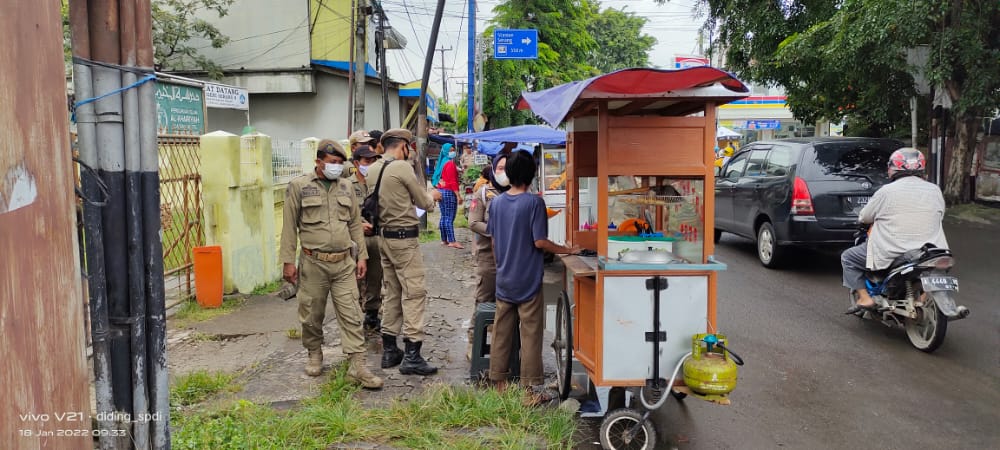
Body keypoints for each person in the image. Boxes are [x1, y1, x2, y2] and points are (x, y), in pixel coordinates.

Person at [279, 139, 383, 389]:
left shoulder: (346, 187)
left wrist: (362, 257)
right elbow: (289, 228)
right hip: (313, 263)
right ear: (318, 162)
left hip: (344, 263)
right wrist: (287, 262)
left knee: (351, 312)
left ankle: (357, 365)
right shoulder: (299, 187)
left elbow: (355, 224)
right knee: (311, 314)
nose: (336, 167)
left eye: (339, 163)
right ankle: (314, 352)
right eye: (332, 163)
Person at [486, 150, 580, 400]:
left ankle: (498, 385)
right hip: (527, 278)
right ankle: (528, 393)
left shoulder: (496, 202)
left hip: (504, 277)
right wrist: (566, 249)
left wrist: (501, 267)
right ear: (531, 175)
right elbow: (539, 241)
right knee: (530, 334)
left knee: (502, 332)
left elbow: (494, 241)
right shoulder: (534, 203)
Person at [366, 128, 443, 375]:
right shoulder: (401, 168)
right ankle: (412, 355)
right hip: (404, 240)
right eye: (409, 146)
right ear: (403, 146)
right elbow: (423, 202)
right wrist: (433, 196)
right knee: (414, 293)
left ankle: (390, 350)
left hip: (383, 239)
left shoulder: (373, 169)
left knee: (393, 292)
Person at [844, 148, 948, 314]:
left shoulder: (886, 191)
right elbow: (940, 214)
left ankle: (865, 298)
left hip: (894, 250)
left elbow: (865, 217)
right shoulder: (934, 190)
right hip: (932, 250)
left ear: (893, 168)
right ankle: (922, 298)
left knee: (848, 257)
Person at [466, 155, 509, 358]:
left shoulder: (518, 192)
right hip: (488, 259)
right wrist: (496, 230)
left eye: (507, 168)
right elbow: (473, 223)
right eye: (500, 168)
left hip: (512, 258)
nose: (503, 172)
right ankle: (473, 344)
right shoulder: (482, 194)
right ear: (493, 169)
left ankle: (504, 348)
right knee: (483, 301)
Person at [349, 145, 383, 332]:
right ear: (356, 163)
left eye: (373, 161)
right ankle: (353, 314)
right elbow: (342, 213)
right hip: (354, 238)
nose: (370, 165)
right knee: (355, 278)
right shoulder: (346, 185)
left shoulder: (378, 183)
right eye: (366, 161)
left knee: (375, 277)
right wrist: (359, 225)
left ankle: (371, 314)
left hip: (375, 237)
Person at [432, 143, 463, 249]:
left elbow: (437, 178)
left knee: (444, 217)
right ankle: (452, 241)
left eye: (453, 150)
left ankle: (444, 239)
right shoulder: (449, 164)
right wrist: (458, 195)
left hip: (441, 192)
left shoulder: (442, 163)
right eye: (451, 150)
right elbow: (452, 181)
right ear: (445, 152)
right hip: (449, 192)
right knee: (449, 218)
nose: (453, 152)